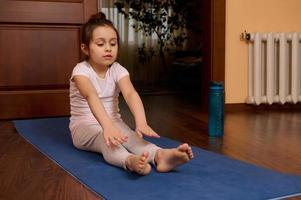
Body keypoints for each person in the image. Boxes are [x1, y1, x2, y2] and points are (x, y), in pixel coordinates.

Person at [69, 12, 194, 175]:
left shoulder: (118, 70)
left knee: (131, 137)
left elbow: (130, 94)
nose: (108, 48)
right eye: (101, 44)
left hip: (114, 122)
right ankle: (129, 161)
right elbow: (91, 96)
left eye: (113, 44)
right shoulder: (80, 71)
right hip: (84, 127)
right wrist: (107, 127)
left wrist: (141, 122)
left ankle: (160, 155)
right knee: (107, 140)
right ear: (85, 48)